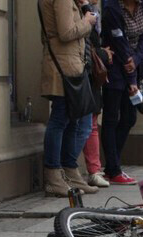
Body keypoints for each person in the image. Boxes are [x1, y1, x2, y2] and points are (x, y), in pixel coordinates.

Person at [39, 0, 99, 197]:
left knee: (73, 119)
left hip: (72, 67)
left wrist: (84, 10)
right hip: (63, 68)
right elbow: (66, 33)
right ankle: (54, 176)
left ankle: (70, 172)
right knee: (60, 119)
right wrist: (87, 21)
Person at [101, 0, 143, 185]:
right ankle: (114, 169)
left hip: (134, 65)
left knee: (130, 117)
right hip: (114, 67)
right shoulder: (112, 9)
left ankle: (110, 166)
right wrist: (131, 78)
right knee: (111, 118)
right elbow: (119, 42)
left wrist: (137, 59)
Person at [81, 0, 111, 188]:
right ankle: (87, 169)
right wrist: (103, 53)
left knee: (91, 123)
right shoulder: (83, 10)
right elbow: (84, 42)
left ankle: (94, 169)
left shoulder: (94, 12)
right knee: (82, 124)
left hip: (92, 73)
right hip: (83, 71)